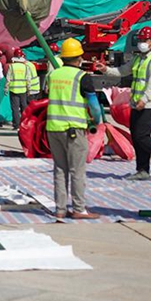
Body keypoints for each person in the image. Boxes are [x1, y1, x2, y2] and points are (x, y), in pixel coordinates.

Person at [94, 27, 151, 180]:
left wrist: (144, 99)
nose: (142, 43)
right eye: (141, 40)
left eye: (145, 40)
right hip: (137, 103)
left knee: (142, 136)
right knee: (136, 137)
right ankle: (143, 170)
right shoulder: (138, 59)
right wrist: (105, 70)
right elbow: (122, 71)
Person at [46, 38, 101, 219]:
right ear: (79, 58)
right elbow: (94, 105)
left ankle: (60, 209)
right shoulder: (82, 77)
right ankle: (79, 209)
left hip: (53, 127)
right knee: (77, 170)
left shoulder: (53, 75)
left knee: (60, 169)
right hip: (73, 129)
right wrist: (96, 122)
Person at [5, 48, 32, 129]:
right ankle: (24, 123)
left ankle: (16, 125)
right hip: (23, 90)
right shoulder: (25, 67)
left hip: (14, 90)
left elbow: (8, 79)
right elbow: (28, 79)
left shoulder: (12, 67)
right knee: (24, 107)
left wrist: (6, 89)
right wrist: (29, 89)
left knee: (15, 108)